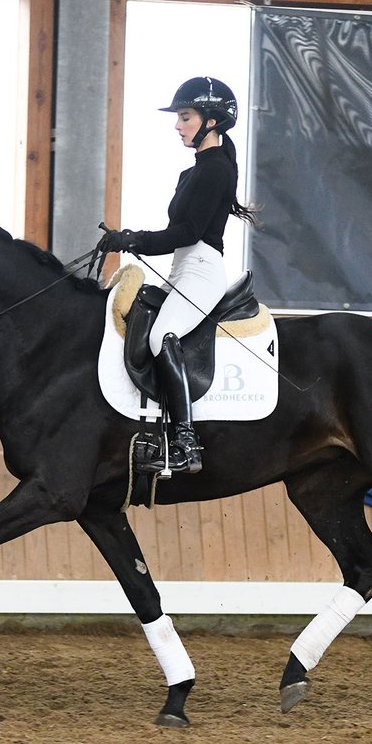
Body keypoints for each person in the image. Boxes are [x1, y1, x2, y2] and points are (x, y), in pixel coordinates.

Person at [97, 76, 257, 475]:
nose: (178, 124)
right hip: (182, 268)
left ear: (212, 122)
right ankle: (150, 427)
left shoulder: (217, 169)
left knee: (161, 336)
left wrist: (132, 238)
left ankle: (186, 442)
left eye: (185, 116)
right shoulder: (192, 173)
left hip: (202, 271)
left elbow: (186, 233)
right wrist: (129, 239)